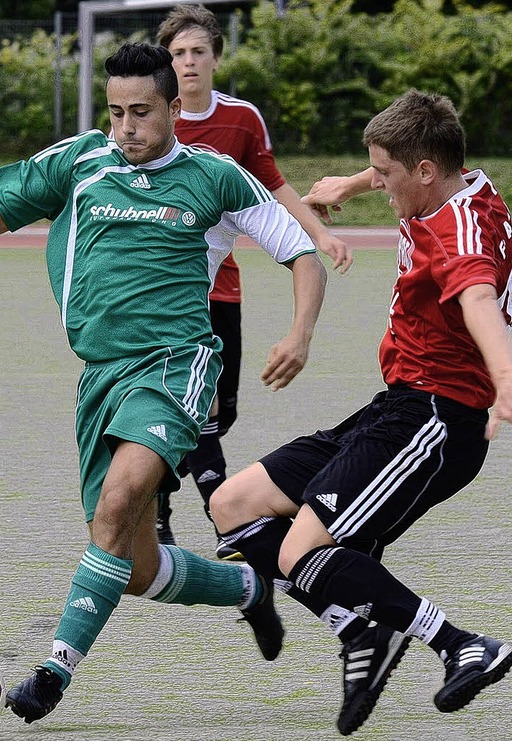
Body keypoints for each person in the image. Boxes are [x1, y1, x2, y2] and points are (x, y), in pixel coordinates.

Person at [0, 43, 329, 725]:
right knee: (136, 563)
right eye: (117, 111)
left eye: (142, 112)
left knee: (120, 500)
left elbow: (300, 248)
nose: (127, 126)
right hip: (101, 378)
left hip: (176, 365)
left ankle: (53, 671)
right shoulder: (81, 162)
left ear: (174, 108)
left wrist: (299, 333)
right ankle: (249, 587)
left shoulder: (215, 176)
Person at [210, 89, 512, 736]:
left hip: (436, 418)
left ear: (425, 171)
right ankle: (361, 629)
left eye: (385, 172)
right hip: (395, 405)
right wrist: (349, 184)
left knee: (301, 549)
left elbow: (480, 298)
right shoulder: (459, 183)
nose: (381, 180)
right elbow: (401, 168)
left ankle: (460, 643)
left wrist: (505, 379)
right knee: (232, 506)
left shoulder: (458, 231)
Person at [155, 3, 353, 560]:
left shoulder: (241, 119)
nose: (189, 62)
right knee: (194, 404)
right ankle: (195, 511)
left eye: (198, 52)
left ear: (216, 57)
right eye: (178, 54)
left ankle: (166, 494)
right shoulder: (148, 120)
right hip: (166, 290)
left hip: (223, 282)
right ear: (166, 64)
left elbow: (273, 187)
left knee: (222, 408)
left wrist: (317, 234)